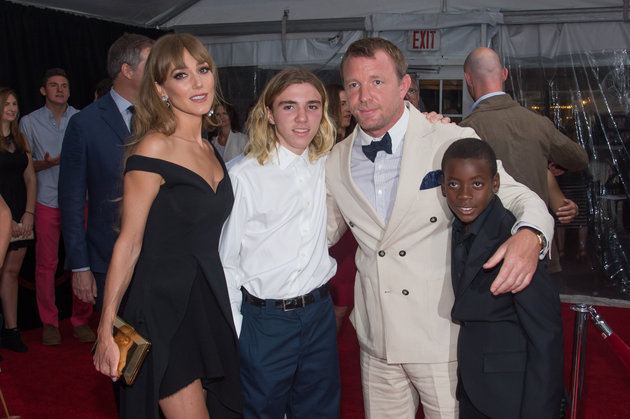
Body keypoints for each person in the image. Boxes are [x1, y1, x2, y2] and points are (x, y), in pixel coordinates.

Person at [325, 37, 554, 418]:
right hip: (376, 339)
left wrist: (532, 235)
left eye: (377, 82)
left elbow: (519, 196)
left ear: (404, 86)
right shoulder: (335, 160)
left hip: (440, 335)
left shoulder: (449, 138)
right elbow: (319, 230)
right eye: (353, 85)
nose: (364, 96)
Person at [93, 33, 242, 419]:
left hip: (206, 304)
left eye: (203, 69)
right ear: (160, 89)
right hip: (160, 310)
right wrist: (106, 328)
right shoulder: (152, 148)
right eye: (181, 74)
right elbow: (128, 243)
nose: (197, 82)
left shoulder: (211, 150)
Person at [220, 67, 339, 418]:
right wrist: (240, 333)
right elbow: (225, 261)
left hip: (319, 315)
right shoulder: (243, 175)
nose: (303, 118)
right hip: (265, 322)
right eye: (289, 106)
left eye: (313, 106)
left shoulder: (328, 164)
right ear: (269, 114)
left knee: (321, 411)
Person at [440, 138, 564, 418]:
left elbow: (546, 335)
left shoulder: (515, 241)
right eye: (454, 184)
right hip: (473, 387)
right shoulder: (457, 227)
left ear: (495, 184)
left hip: (512, 395)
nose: (464, 196)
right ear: (443, 186)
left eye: (477, 184)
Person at [59, 33, 154, 313]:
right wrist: (80, 265)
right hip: (108, 257)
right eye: (151, 63)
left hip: (162, 257)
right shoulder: (84, 123)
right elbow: (71, 199)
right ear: (127, 70)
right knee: (120, 349)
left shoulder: (165, 119)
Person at [459, 47, 588, 223]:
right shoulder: (539, 123)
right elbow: (579, 158)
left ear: (468, 78)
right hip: (537, 235)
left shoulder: (466, 130)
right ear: (504, 74)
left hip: (492, 239)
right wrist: (558, 162)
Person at [19, 68, 92, 346]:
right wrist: (47, 163)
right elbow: (25, 167)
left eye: (64, 85)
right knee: (45, 265)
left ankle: (81, 320)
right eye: (53, 85)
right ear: (43, 90)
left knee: (80, 262)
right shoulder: (29, 122)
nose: (59, 89)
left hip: (78, 202)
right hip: (46, 200)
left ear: (70, 91)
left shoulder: (81, 118)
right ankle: (49, 322)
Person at [0, 87, 36, 353]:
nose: (11, 108)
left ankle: (11, 331)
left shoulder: (20, 137)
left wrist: (28, 213)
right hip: (2, 214)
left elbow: (31, 178)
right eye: (6, 103)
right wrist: (7, 219)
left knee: (11, 274)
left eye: (14, 103)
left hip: (21, 213)